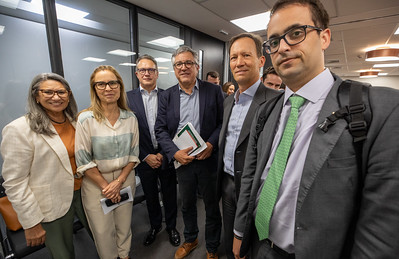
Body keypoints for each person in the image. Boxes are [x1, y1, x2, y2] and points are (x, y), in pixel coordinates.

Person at [233, 0, 399, 258]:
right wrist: (240, 232)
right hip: (260, 246)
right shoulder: (266, 111)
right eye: (274, 41)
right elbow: (251, 178)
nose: (283, 47)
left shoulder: (379, 109)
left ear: (324, 37)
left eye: (296, 33)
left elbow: (382, 229)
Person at [1, 73, 91, 258]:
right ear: (36, 96)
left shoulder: (75, 122)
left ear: (69, 94)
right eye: (48, 92)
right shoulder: (19, 129)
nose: (56, 97)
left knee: (102, 238)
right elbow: (15, 183)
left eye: (61, 92)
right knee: (63, 253)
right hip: (52, 202)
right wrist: (31, 223)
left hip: (85, 192)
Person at [155, 46, 223, 259]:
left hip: (207, 159)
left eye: (188, 63)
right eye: (178, 64)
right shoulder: (166, 96)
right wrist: (174, 153)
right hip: (182, 161)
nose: (183, 67)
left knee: (211, 206)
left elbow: (223, 122)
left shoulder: (213, 91)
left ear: (197, 66)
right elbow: (160, 129)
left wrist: (211, 144)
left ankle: (212, 247)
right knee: (187, 204)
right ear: (174, 69)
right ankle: (191, 239)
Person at [216, 33, 280, 259]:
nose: (239, 62)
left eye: (246, 55)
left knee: (251, 245)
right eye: (233, 57)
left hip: (254, 188)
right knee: (229, 241)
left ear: (261, 61)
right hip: (227, 183)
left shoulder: (275, 101)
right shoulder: (228, 102)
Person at [75, 65, 140, 259]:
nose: (108, 88)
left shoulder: (130, 117)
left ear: (119, 86)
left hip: (125, 178)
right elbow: (83, 160)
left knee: (124, 225)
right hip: (96, 183)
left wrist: (118, 182)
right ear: (94, 89)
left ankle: (125, 255)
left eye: (112, 83)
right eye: (101, 84)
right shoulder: (85, 119)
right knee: (103, 232)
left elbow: (133, 154)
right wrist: (107, 186)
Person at [127, 54, 180, 247]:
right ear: (137, 73)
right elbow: (127, 134)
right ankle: (155, 226)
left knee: (170, 193)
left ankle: (172, 226)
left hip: (166, 154)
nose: (147, 73)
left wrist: (165, 153)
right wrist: (145, 156)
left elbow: (174, 128)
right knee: (150, 195)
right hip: (144, 157)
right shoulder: (127, 98)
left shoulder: (168, 96)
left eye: (151, 70)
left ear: (157, 73)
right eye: (143, 70)